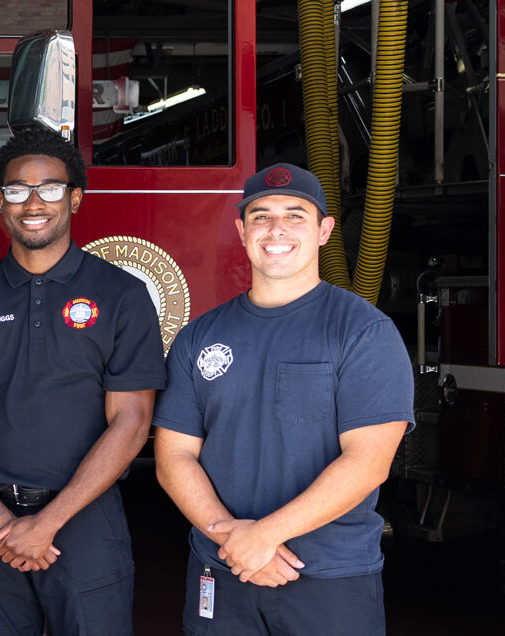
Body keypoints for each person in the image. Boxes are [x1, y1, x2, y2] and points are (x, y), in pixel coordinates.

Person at [0, 131, 166, 634]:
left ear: (75, 197)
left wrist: (46, 523)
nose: (33, 203)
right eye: (16, 190)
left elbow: (132, 420)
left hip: (86, 520)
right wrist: (2, 523)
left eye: (50, 189)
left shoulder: (122, 295)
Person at [152, 163, 412, 634]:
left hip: (329, 577)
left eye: (295, 215)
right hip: (222, 568)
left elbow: (368, 461)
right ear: (241, 230)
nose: (276, 229)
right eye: (261, 216)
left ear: (324, 231)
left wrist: (265, 537)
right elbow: (173, 457)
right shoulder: (199, 338)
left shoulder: (363, 332)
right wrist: (233, 541)